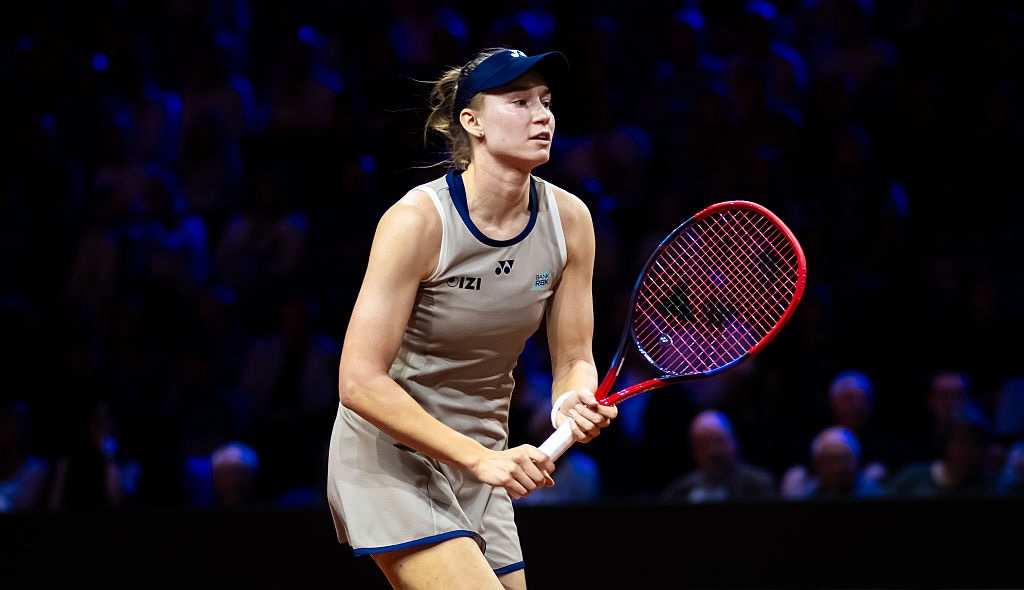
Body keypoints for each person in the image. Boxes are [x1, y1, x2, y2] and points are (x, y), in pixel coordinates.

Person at [325, 47, 618, 590]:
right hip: (394, 454)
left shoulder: (570, 220)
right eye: (520, 102)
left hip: (483, 459)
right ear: (472, 122)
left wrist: (572, 400)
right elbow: (358, 381)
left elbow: (575, 358)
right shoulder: (417, 221)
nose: (542, 116)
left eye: (546, 102)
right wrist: (481, 460)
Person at [660, 409, 776, 503]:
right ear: (694, 450)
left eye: (719, 441)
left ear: (734, 442)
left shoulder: (757, 486)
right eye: (704, 444)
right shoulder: (679, 492)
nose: (713, 451)